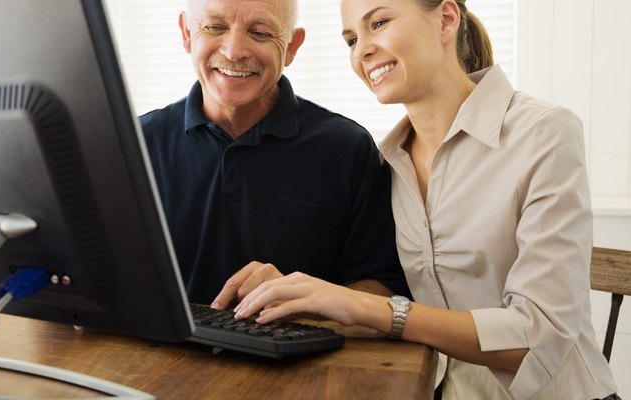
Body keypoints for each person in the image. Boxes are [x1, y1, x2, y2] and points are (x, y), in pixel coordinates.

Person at [233, 0, 620, 399]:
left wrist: (367, 308)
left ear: (447, 18)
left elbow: (538, 337)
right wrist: (310, 302)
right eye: (351, 39)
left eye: (379, 22)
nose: (361, 49)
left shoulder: (544, 133)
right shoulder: (385, 164)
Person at [139, 0, 410, 306]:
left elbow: (387, 290)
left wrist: (304, 298)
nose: (233, 51)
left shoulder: (347, 149)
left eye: (260, 33)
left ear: (292, 46)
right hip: (156, 353)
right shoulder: (136, 143)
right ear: (187, 33)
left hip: (301, 354)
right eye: (215, 27)